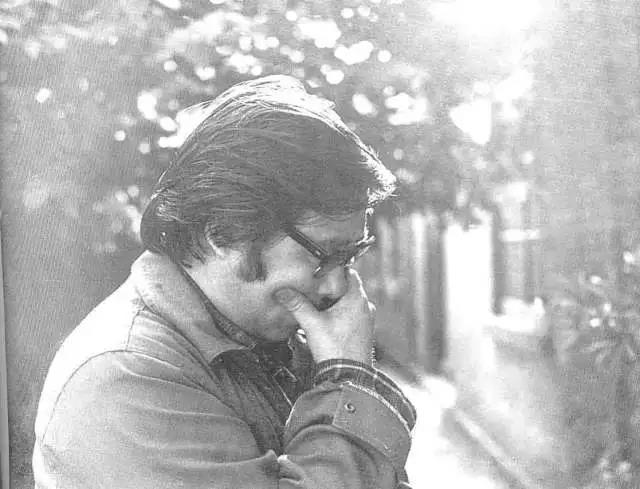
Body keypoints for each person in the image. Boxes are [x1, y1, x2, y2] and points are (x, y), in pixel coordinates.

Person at [33, 75, 416, 488]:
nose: (338, 287)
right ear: (224, 233)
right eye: (323, 255)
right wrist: (348, 381)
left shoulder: (263, 341)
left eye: (351, 255)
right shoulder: (128, 376)